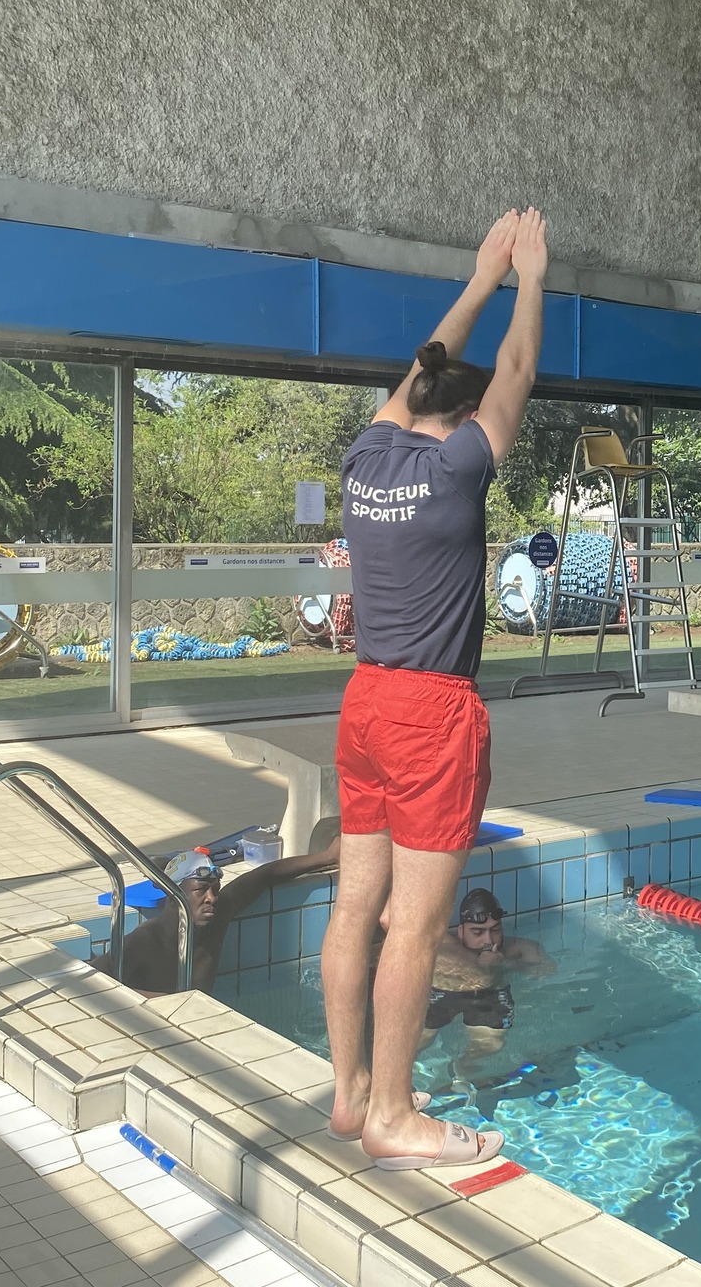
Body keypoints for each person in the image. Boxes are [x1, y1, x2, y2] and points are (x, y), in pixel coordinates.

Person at [321, 207, 548, 1171]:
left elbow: (426, 370)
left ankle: (349, 1095)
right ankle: (395, 1114)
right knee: (413, 923)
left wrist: (482, 276)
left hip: (365, 702)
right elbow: (518, 369)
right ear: (465, 416)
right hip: (430, 713)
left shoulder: (366, 457)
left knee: (354, 907)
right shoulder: (458, 468)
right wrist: (531, 277)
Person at [111, 840, 339, 995]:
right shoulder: (146, 940)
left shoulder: (217, 918)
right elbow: (94, 981)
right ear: (173, 895)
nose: (211, 898)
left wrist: (327, 857)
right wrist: (166, 1003)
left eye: (215, 889)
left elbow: (265, 875)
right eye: (201, 890)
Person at [421, 888, 554, 1082]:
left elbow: (548, 970)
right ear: (461, 931)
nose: (488, 940)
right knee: (419, 1040)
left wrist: (503, 964)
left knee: (491, 1045)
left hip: (490, 995)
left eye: (495, 930)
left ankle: (461, 1070)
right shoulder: (446, 945)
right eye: (477, 932)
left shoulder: (518, 948)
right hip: (446, 992)